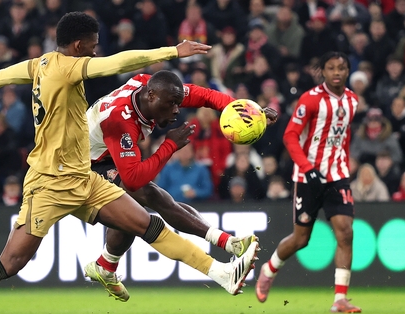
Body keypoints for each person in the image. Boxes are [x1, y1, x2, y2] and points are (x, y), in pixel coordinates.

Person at [0, 12, 259, 314]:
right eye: (93, 45)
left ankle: (222, 273)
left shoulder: (42, 63)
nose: (96, 51)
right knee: (11, 262)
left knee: (147, 225)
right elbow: (119, 62)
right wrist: (171, 52)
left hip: (83, 176)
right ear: (78, 46)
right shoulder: (69, 67)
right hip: (49, 183)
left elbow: (8, 74)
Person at [84, 71, 277, 301]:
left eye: (178, 103)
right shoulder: (121, 121)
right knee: (146, 196)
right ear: (151, 96)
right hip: (81, 167)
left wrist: (249, 113)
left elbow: (202, 95)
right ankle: (225, 253)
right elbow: (134, 180)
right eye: (171, 105)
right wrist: (169, 146)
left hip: (104, 155)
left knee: (134, 212)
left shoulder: (151, 87)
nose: (177, 110)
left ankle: (106, 265)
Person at [255, 51, 362, 313]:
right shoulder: (310, 100)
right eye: (331, 68)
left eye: (341, 68)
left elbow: (342, 137)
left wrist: (343, 166)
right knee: (301, 239)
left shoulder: (352, 101)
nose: (336, 72)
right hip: (307, 176)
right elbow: (290, 136)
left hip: (337, 176)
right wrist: (307, 167)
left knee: (346, 232)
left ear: (347, 71)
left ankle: (340, 299)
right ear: (322, 72)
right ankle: (269, 269)